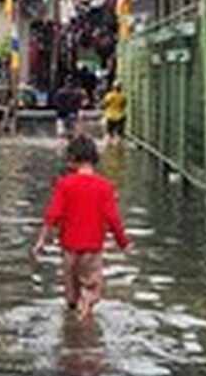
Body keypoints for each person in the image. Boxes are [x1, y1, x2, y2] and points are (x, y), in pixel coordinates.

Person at [31, 136, 131, 321]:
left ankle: (72, 333)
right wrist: (123, 243)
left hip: (69, 250)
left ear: (72, 159)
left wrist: (41, 241)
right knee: (93, 290)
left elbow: (52, 215)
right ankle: (86, 312)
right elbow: (113, 218)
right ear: (95, 158)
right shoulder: (105, 187)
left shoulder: (64, 184)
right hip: (92, 250)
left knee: (71, 298)